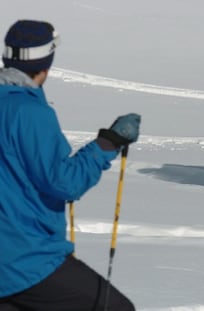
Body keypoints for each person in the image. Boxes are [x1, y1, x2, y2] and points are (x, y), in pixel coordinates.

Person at [0, 20, 140, 310]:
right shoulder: (29, 113)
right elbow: (64, 182)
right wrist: (109, 142)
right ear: (45, 63)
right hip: (26, 260)